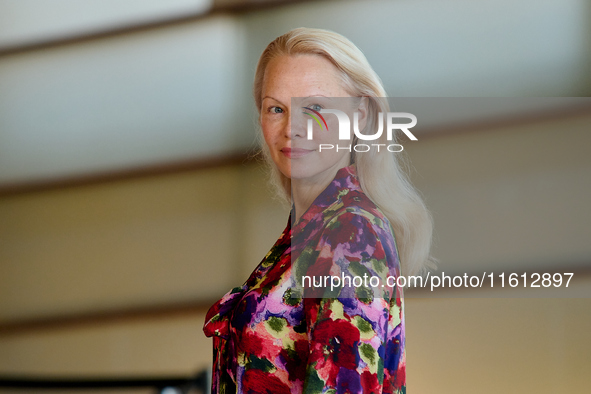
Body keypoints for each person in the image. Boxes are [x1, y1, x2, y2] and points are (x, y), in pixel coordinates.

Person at [204, 27, 434, 394]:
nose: (291, 128)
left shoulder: (350, 233)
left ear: (360, 115)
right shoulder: (306, 232)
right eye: (276, 108)